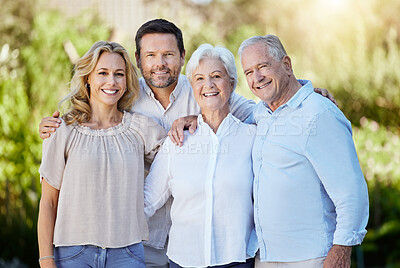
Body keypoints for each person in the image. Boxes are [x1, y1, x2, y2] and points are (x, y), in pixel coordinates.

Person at [38, 19, 335, 267]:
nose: (160, 63)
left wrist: (300, 97)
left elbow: (259, 111)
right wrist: (59, 124)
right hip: (145, 242)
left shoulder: (203, 89)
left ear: (182, 56)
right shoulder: (127, 97)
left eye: (168, 54)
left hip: (204, 245)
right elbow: (96, 117)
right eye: (151, 55)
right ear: (139, 60)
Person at [238, 35, 369, 267]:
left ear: (287, 65)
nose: (256, 78)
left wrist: (341, 250)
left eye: (263, 66)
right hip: (267, 256)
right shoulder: (260, 114)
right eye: (248, 72)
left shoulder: (319, 113)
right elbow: (216, 104)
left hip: (311, 257)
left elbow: (351, 190)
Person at [37, 41, 166, 268]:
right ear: (88, 78)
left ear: (126, 81)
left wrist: (190, 122)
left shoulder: (141, 129)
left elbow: (181, 157)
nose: (111, 81)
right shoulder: (62, 130)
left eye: (119, 74)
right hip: (72, 254)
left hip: (127, 253)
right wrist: (46, 260)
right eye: (102, 73)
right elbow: (48, 202)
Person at [144, 44, 258, 268]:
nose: (209, 85)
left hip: (236, 259)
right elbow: (147, 200)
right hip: (183, 260)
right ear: (193, 87)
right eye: (199, 79)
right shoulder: (177, 141)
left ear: (232, 83)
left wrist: (307, 90)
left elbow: (279, 107)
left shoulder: (252, 137)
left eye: (217, 76)